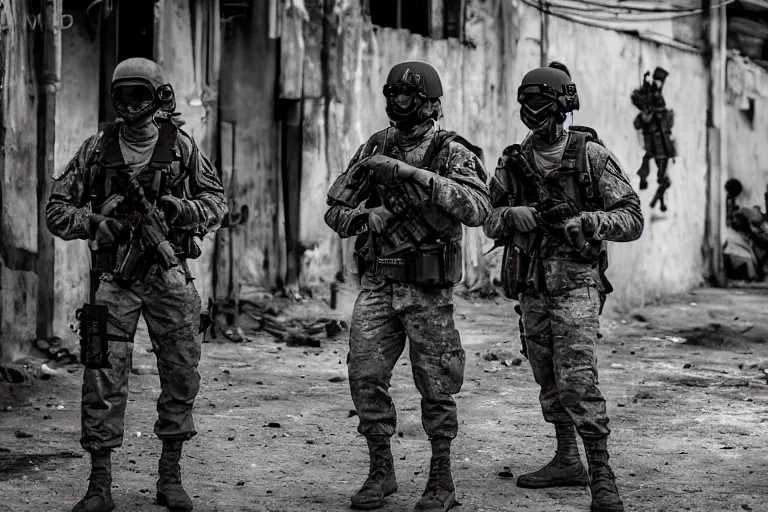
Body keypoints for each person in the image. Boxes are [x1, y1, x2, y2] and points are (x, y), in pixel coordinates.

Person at [46, 57, 227, 512]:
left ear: (160, 98)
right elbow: (56, 210)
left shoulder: (182, 148)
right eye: (122, 96)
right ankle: (100, 484)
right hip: (115, 280)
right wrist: (95, 223)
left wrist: (179, 210)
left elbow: (216, 204)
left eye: (139, 96)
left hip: (168, 277)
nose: (129, 106)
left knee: (181, 371)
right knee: (102, 375)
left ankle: (170, 476)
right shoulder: (96, 150)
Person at [324, 61, 491, 511]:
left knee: (436, 384)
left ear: (429, 103)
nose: (399, 103)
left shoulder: (451, 151)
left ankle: (442, 480)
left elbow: (478, 207)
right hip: (380, 284)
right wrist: (365, 216)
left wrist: (415, 175)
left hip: (427, 290)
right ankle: (381, 471)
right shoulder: (376, 147)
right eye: (393, 94)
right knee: (364, 375)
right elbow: (335, 208)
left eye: (408, 96)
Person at [483, 66, 643, 512]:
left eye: (544, 110)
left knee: (577, 381)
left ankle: (602, 476)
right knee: (547, 377)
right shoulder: (513, 161)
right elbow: (486, 216)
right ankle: (567, 459)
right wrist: (511, 216)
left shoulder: (591, 156)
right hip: (533, 286)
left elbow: (632, 217)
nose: (537, 121)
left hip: (576, 286)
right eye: (529, 111)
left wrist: (590, 221)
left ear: (562, 108)